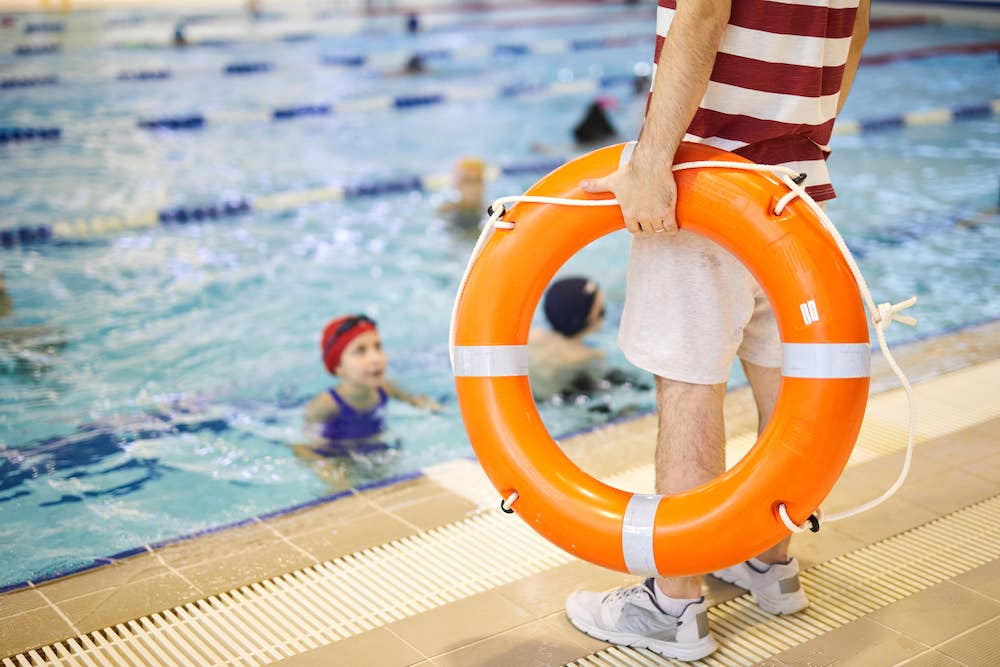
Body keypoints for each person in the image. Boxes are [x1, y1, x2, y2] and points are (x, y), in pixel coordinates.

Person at [564, 0, 871, 661]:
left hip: (707, 179)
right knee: (788, 388)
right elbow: (860, 22)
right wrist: (804, 136)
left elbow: (702, 13)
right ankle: (768, 559)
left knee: (688, 389)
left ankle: (672, 605)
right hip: (795, 184)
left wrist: (651, 160)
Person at [299, 315, 437, 459]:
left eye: (378, 347)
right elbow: (309, 444)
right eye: (360, 351)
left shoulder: (386, 388)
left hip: (375, 447)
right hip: (339, 454)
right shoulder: (326, 404)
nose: (375, 358)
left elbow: (416, 401)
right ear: (338, 367)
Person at [528, 277, 607, 400]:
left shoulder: (533, 337)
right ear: (587, 320)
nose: (603, 317)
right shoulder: (588, 357)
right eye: (601, 311)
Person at [438, 157, 486, 235]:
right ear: (457, 185)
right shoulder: (447, 210)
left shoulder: (490, 210)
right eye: (467, 181)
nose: (474, 187)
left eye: (478, 180)